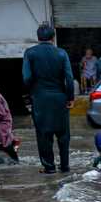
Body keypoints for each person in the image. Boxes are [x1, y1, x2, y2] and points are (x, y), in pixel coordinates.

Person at [23, 24, 75, 174]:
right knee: (63, 134)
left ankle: (49, 167)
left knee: (43, 134)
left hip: (40, 99)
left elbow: (27, 78)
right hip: (60, 98)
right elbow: (69, 78)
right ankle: (64, 166)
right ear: (53, 37)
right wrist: (70, 97)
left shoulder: (30, 53)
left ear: (38, 37)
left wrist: (33, 92)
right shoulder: (61, 53)